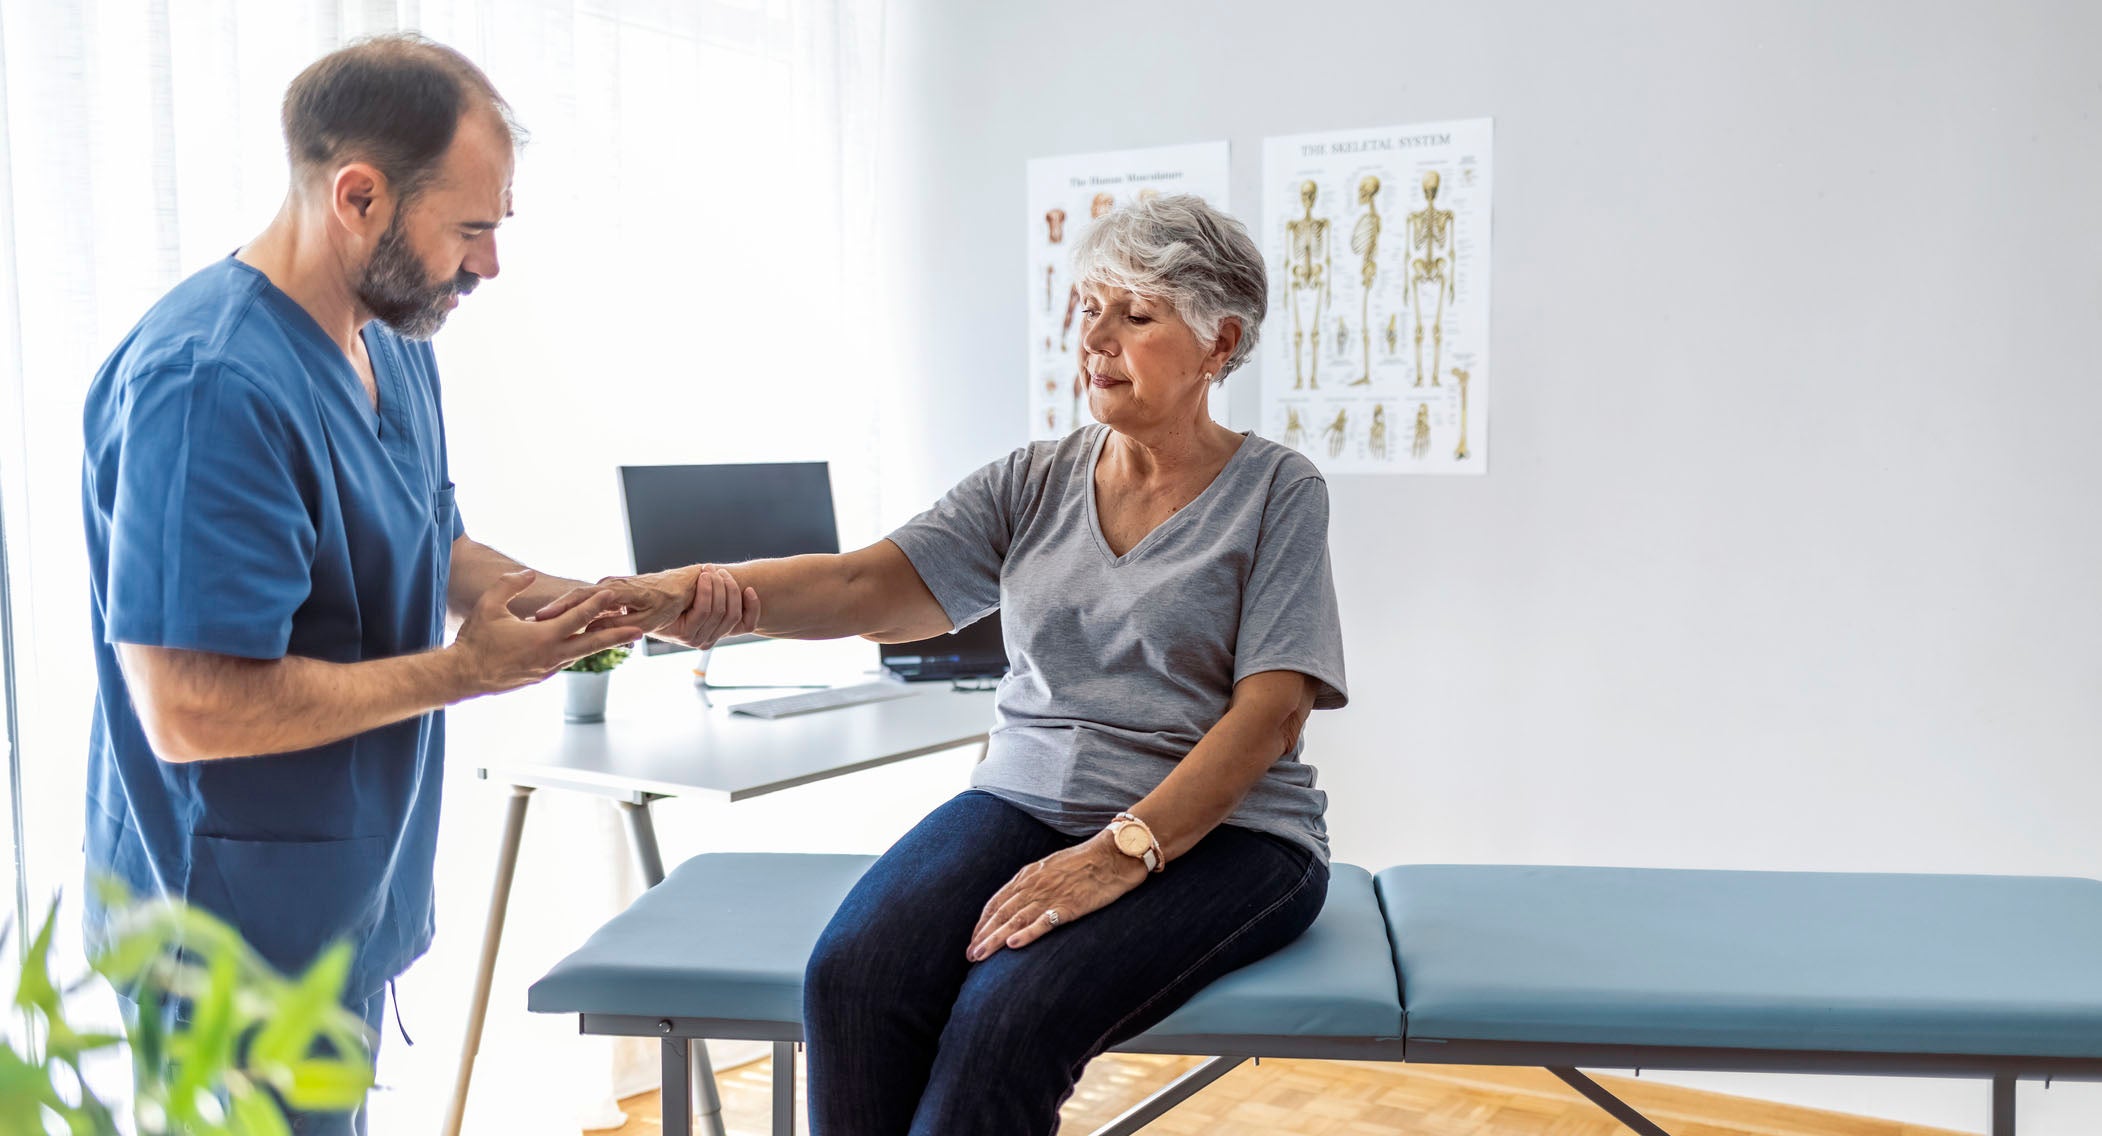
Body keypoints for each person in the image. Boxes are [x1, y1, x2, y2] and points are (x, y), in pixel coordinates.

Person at [558, 193, 1347, 1134]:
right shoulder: (1034, 479)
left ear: (1221, 343)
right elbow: (865, 584)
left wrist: (1117, 854)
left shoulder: (1277, 491)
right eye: (1090, 307)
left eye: (1136, 315)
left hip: (1229, 836)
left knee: (1010, 1017)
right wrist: (694, 591)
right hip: (1027, 799)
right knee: (853, 976)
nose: (1096, 339)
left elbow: (1271, 714)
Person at [79, 34, 748, 1132]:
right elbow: (190, 707)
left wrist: (584, 606)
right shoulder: (208, 387)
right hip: (224, 949)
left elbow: (426, 541)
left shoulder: (390, 341)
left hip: (336, 908)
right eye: (471, 229)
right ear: (359, 197)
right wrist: (465, 672)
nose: (490, 265)